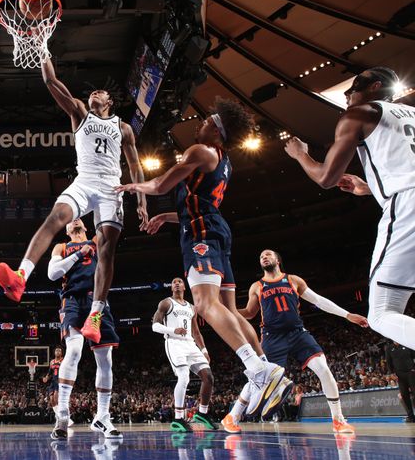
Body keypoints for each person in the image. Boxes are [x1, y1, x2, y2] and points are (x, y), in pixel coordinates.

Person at [117, 98, 292, 420]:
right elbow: (199, 205)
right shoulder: (223, 160)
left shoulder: (199, 151)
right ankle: (265, 366)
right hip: (213, 229)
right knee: (228, 309)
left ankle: (258, 371)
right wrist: (167, 217)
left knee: (205, 305)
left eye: (206, 120)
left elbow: (159, 184)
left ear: (217, 128)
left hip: (200, 236)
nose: (199, 123)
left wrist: (131, 185)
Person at [0, 57, 147, 346]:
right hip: (85, 181)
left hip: (112, 189)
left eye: (99, 92)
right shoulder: (79, 112)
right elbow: (51, 82)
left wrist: (141, 198)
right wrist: (42, 49)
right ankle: (20, 277)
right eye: (91, 92)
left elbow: (136, 166)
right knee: (55, 218)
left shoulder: (123, 128)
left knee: (106, 249)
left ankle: (96, 315)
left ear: (109, 101)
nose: (93, 94)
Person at [284, 67, 415, 349]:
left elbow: (326, 178)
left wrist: (301, 155)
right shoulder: (411, 114)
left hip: (407, 209)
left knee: (381, 314)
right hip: (407, 196)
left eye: (351, 90)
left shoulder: (359, 114)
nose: (346, 97)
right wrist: (368, 187)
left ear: (374, 87)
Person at [230, 249, 367, 434]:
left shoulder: (293, 280)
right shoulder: (257, 286)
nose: (264, 257)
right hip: (272, 336)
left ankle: (338, 420)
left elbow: (319, 300)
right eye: (261, 256)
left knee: (323, 369)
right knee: (258, 378)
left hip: (297, 333)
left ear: (277, 260)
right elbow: (250, 312)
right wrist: (227, 312)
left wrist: (348, 315)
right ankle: (233, 416)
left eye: (268, 254)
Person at [47, 219, 121, 440]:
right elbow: (52, 273)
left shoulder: (97, 240)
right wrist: (79, 254)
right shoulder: (61, 247)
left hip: (98, 300)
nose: (75, 220)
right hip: (72, 300)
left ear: (87, 227)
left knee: (105, 359)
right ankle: (62, 414)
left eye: (79, 218)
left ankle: (103, 416)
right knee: (75, 350)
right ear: (67, 230)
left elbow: (110, 229)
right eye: (70, 221)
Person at [151, 277, 218, 432]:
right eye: (174, 282)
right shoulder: (166, 303)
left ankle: (202, 413)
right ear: (171, 287)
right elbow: (155, 326)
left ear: (184, 287)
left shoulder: (191, 307)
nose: (176, 283)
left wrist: (204, 350)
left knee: (208, 377)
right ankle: (178, 418)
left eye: (179, 281)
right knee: (184, 377)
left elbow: (196, 332)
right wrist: (172, 330)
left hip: (190, 344)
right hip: (174, 343)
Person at [385, 341, 415, 422]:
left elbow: (414, 356)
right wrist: (391, 373)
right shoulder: (389, 348)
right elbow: (389, 362)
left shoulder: (406, 343)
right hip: (399, 375)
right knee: (404, 395)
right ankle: (411, 416)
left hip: (411, 372)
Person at [43, 346, 63, 421]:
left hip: (60, 381)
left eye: (59, 351)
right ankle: (58, 415)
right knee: (51, 400)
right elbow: (49, 372)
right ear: (54, 353)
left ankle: (61, 416)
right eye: (56, 351)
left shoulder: (63, 360)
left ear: (61, 353)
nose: (57, 352)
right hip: (53, 381)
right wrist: (46, 377)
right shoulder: (52, 362)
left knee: (56, 397)